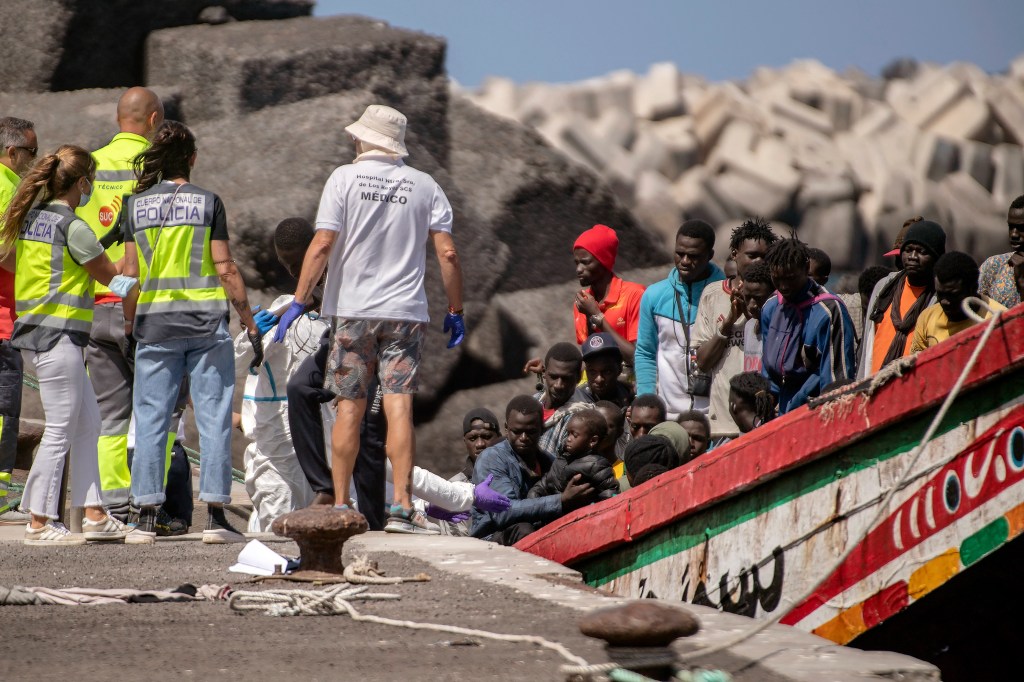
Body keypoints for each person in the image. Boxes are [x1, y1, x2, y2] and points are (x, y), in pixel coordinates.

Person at [274, 105, 465, 535]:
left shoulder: (343, 178)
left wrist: (299, 303)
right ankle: (401, 507)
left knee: (349, 407)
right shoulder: (425, 185)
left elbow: (322, 244)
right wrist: (456, 310)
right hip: (404, 314)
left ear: (364, 140)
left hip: (354, 311)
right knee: (399, 404)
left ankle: (342, 505)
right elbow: (448, 253)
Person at [121, 121, 262, 545]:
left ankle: (145, 516)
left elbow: (129, 274)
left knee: (151, 419)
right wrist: (249, 320)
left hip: (155, 326)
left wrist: (131, 324)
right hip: (205, 326)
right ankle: (216, 518)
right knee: (214, 416)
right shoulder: (207, 202)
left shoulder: (135, 206)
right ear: (193, 159)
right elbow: (226, 268)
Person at [1, 145, 139, 544]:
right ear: (82, 182)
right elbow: (112, 280)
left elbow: (13, 262)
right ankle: (39, 520)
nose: (92, 187)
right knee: (60, 428)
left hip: (39, 332)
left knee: (88, 424)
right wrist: (140, 277)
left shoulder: (31, 219)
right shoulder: (72, 226)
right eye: (90, 180)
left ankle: (95, 514)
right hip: (60, 335)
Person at [77, 88, 165, 521]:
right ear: (152, 121)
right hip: (143, 306)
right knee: (159, 407)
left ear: (118, 119)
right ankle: (153, 501)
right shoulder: (157, 166)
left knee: (108, 414)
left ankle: (111, 502)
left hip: (93, 304)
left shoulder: (88, 166)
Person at [694, 217, 778, 445]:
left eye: (764, 256)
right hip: (724, 421)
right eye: (752, 255)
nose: (758, 261)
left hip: (766, 419)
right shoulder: (713, 295)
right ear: (734, 254)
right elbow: (702, 361)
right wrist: (729, 321)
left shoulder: (778, 297)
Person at [471, 395, 593, 545]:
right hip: (492, 539)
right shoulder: (492, 458)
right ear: (507, 429)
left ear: (542, 429)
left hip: (536, 533)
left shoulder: (550, 462)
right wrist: (560, 500)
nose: (523, 438)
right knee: (524, 530)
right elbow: (503, 511)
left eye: (530, 432)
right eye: (517, 432)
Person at [635, 220, 725, 418]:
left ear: (710, 256)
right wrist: (646, 403)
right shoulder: (654, 295)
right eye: (679, 253)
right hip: (667, 415)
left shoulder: (726, 294)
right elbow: (645, 353)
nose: (684, 261)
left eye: (693, 256)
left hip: (716, 416)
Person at [761, 236, 856, 414]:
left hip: (815, 411)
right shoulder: (771, 307)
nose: (783, 286)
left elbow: (837, 380)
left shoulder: (828, 311)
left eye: (790, 278)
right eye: (777, 279)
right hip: (782, 411)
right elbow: (768, 371)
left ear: (806, 269)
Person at [0, 117, 36, 524]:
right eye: (31, 150)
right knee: (4, 410)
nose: (35, 159)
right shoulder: (9, 187)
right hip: (3, 319)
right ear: (12, 152)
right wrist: (33, 270)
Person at [858, 220, 945, 379]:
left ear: (936, 257)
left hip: (912, 386)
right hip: (873, 386)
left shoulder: (941, 297)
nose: (913, 257)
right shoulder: (884, 288)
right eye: (908, 250)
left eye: (922, 252)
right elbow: (867, 345)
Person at [571, 224, 646, 364]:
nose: (579, 269)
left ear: (603, 261)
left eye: (585, 263)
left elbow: (637, 358)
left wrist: (596, 316)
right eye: (576, 263)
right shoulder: (582, 303)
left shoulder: (635, 295)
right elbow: (590, 359)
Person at [911, 252, 1006, 352]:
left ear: (973, 289)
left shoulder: (1000, 321)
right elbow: (916, 362)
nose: (944, 302)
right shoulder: (927, 317)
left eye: (952, 295)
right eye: (940, 294)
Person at [528, 409, 618, 502]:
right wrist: (533, 496)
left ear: (593, 441)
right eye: (568, 433)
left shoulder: (597, 465)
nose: (568, 439)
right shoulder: (561, 459)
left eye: (574, 435)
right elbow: (545, 483)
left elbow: (610, 494)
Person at [534, 341, 591, 455]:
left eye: (566, 379)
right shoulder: (534, 402)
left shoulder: (580, 418)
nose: (558, 385)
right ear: (544, 373)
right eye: (554, 377)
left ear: (578, 378)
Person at [978, 195, 1024, 309]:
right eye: (1010, 227)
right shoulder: (994, 266)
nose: (1014, 234)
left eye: (1021, 228)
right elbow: (974, 308)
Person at [579, 332, 633, 407]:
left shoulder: (628, 393)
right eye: (593, 372)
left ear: (619, 369)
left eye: (607, 372)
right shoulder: (578, 400)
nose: (599, 379)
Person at [739, 260, 774, 373]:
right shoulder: (750, 325)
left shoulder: (778, 328)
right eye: (747, 297)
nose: (752, 305)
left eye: (758, 298)